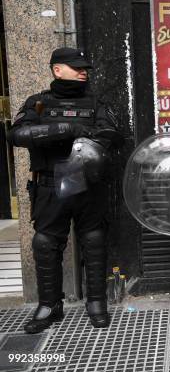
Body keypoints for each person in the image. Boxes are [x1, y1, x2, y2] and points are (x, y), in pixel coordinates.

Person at [8, 47, 122, 333]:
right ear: (57, 70)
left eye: (85, 67)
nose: (83, 71)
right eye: (76, 67)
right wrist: (65, 130)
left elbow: (114, 135)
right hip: (50, 187)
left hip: (88, 187)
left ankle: (96, 303)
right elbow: (17, 134)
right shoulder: (38, 103)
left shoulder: (96, 103)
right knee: (45, 244)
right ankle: (49, 306)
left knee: (94, 241)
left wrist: (88, 136)